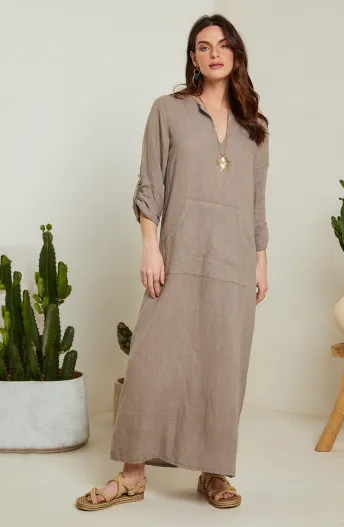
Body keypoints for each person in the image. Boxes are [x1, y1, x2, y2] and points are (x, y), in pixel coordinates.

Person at [75, 12, 269, 511]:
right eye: (204, 46)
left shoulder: (255, 129)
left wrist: (261, 260)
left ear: (236, 54)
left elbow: (257, 202)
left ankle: (214, 472)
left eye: (223, 45)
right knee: (153, 362)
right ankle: (132, 475)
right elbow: (151, 182)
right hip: (179, 256)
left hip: (234, 263)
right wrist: (150, 245)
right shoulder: (168, 110)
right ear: (193, 58)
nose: (214, 53)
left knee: (223, 367)